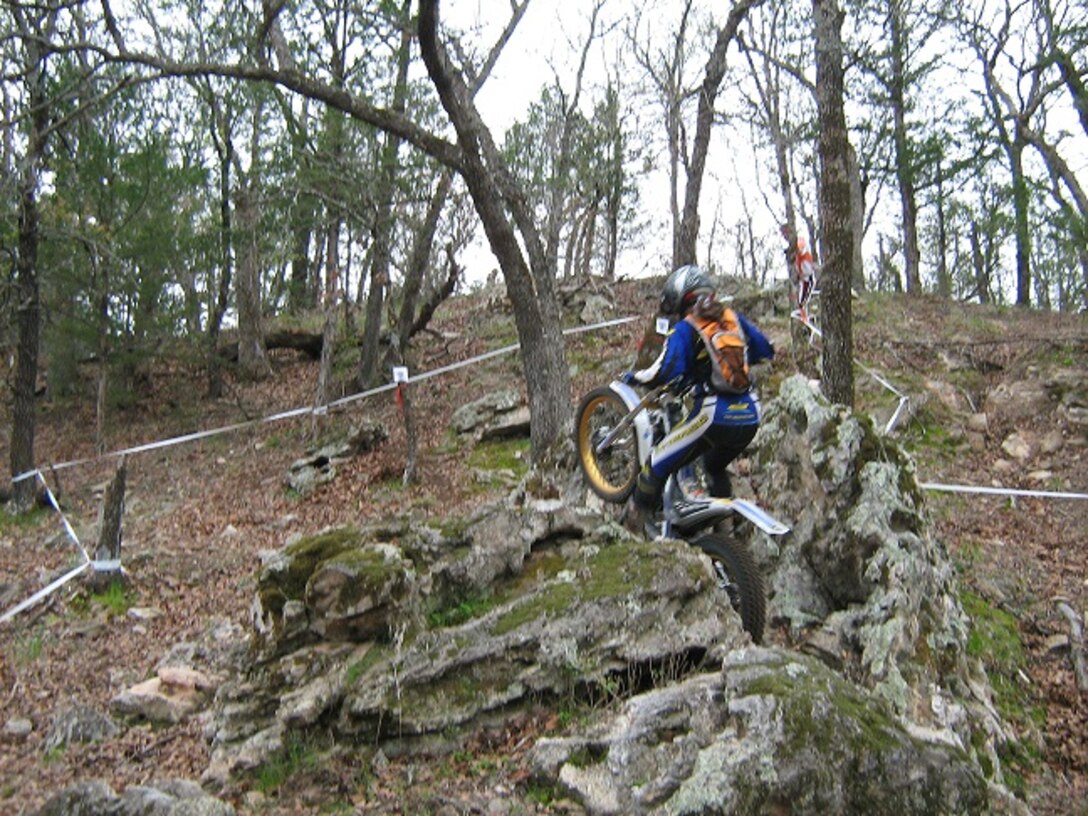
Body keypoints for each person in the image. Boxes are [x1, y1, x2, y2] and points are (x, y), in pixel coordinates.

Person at [620, 264, 774, 534]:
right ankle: (725, 536)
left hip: (714, 414)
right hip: (751, 414)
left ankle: (633, 529)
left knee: (655, 463)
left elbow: (663, 371)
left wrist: (634, 377)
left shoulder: (685, 328)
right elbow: (765, 349)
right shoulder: (733, 319)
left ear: (681, 299)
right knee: (714, 464)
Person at [780, 222, 817, 322]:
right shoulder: (793, 247)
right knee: (800, 301)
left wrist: (792, 251)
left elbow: (801, 248)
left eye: (786, 234)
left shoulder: (800, 241)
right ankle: (806, 319)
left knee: (802, 303)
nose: (785, 237)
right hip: (801, 278)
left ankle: (807, 320)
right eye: (783, 235)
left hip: (808, 276)